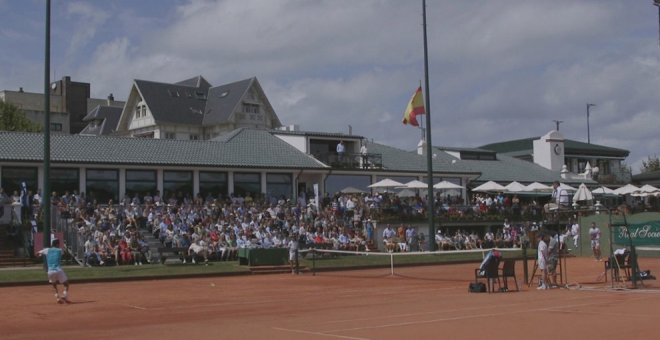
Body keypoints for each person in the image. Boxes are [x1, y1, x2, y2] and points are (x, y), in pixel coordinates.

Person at [37, 239, 70, 304]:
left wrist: (39, 256)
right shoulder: (60, 250)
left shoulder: (47, 250)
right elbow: (65, 253)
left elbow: (37, 253)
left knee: (54, 285)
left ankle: (57, 297)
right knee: (66, 284)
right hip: (58, 270)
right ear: (57, 244)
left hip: (50, 271)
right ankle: (65, 295)